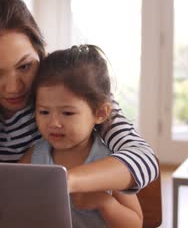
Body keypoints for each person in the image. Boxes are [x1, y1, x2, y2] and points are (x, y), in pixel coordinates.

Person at [0, 0, 159, 193]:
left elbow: (145, 160)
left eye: (25, 66)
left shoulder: (73, 93)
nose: (14, 88)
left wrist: (62, 181)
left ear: (40, 50)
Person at [18, 45, 143, 227]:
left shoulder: (109, 163)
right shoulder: (35, 157)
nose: (53, 123)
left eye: (67, 113)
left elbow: (135, 223)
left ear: (100, 113)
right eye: (44, 112)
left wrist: (104, 202)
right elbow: (8, 198)